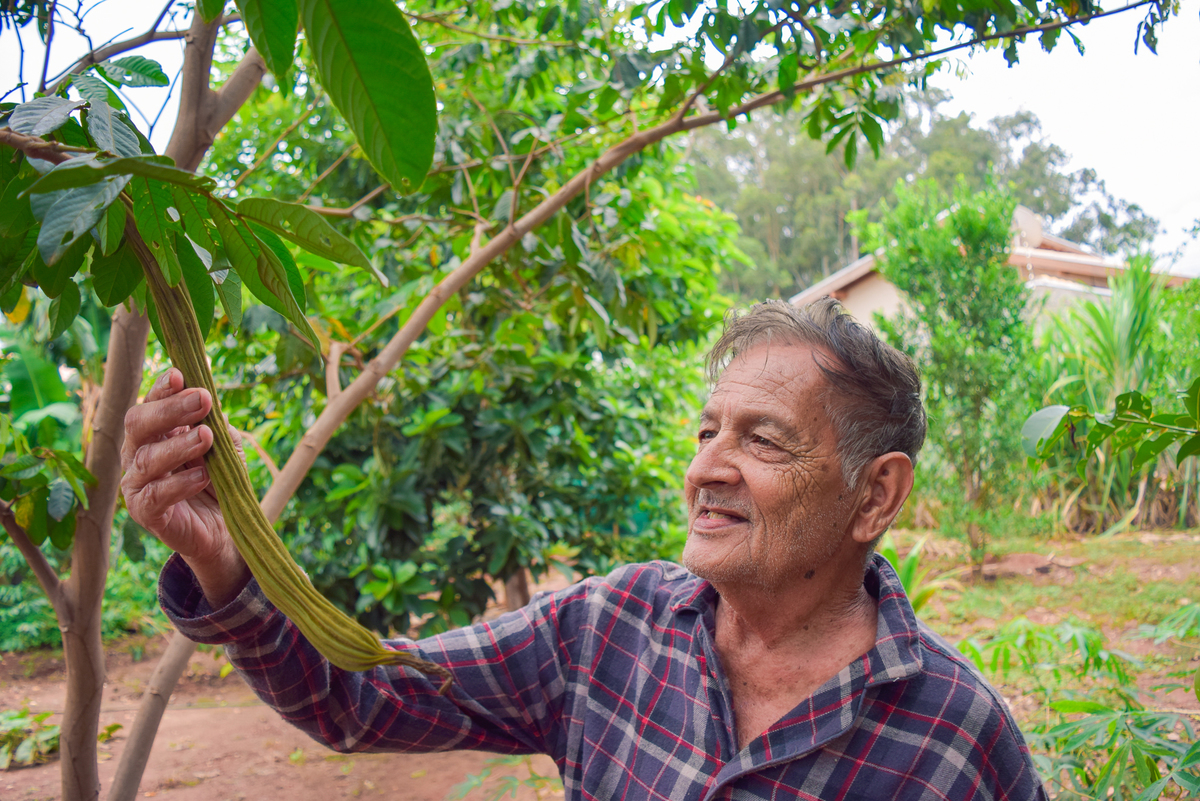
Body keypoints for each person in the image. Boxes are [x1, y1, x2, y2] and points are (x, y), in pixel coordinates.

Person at [122, 299, 1047, 800]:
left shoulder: (956, 741)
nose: (707, 470)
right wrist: (223, 558)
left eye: (762, 440)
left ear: (874, 494)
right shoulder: (607, 628)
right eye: (704, 431)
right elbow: (358, 699)